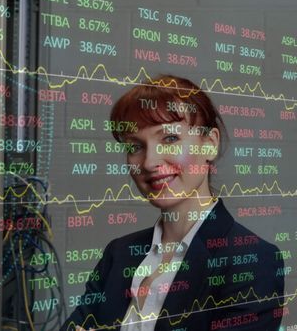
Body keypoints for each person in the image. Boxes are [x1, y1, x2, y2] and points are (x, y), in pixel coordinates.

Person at [61, 75, 285, 331]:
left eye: (169, 139)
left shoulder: (253, 260)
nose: (148, 162)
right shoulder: (118, 254)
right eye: (135, 146)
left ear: (210, 144)